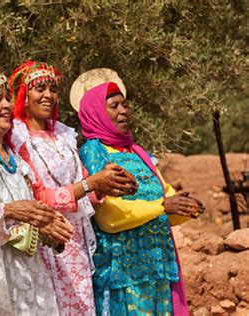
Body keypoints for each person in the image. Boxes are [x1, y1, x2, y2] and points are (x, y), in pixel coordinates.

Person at [9, 61, 136, 315]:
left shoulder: (64, 135)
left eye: (53, 89)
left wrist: (106, 184)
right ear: (23, 96)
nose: (48, 96)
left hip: (74, 240)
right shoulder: (17, 137)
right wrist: (90, 184)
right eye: (39, 88)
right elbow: (35, 196)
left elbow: (85, 182)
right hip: (45, 240)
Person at [75, 72, 205, 315]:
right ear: (97, 114)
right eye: (114, 106)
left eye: (125, 104)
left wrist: (187, 208)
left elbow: (165, 197)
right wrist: (163, 207)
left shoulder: (138, 152)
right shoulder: (94, 152)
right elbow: (109, 217)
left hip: (157, 267)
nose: (124, 111)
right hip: (123, 272)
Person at [0, 65, 74, 315]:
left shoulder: (16, 158)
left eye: (6, 99)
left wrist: (47, 228)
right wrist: (26, 222)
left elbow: (28, 209)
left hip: (30, 271)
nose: (5, 106)